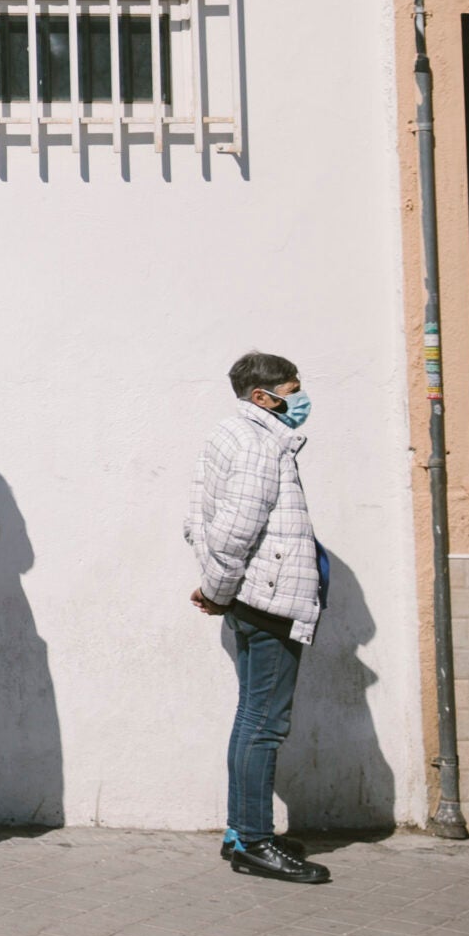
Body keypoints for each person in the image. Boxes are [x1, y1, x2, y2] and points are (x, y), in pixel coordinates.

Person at [185, 351, 331, 885]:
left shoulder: (238, 435)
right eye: (295, 388)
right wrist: (218, 592)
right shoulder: (258, 443)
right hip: (266, 600)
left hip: (254, 596)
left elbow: (207, 521)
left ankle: (240, 830)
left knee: (252, 717)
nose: (302, 397)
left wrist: (221, 591)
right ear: (264, 397)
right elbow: (231, 533)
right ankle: (253, 841)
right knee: (265, 725)